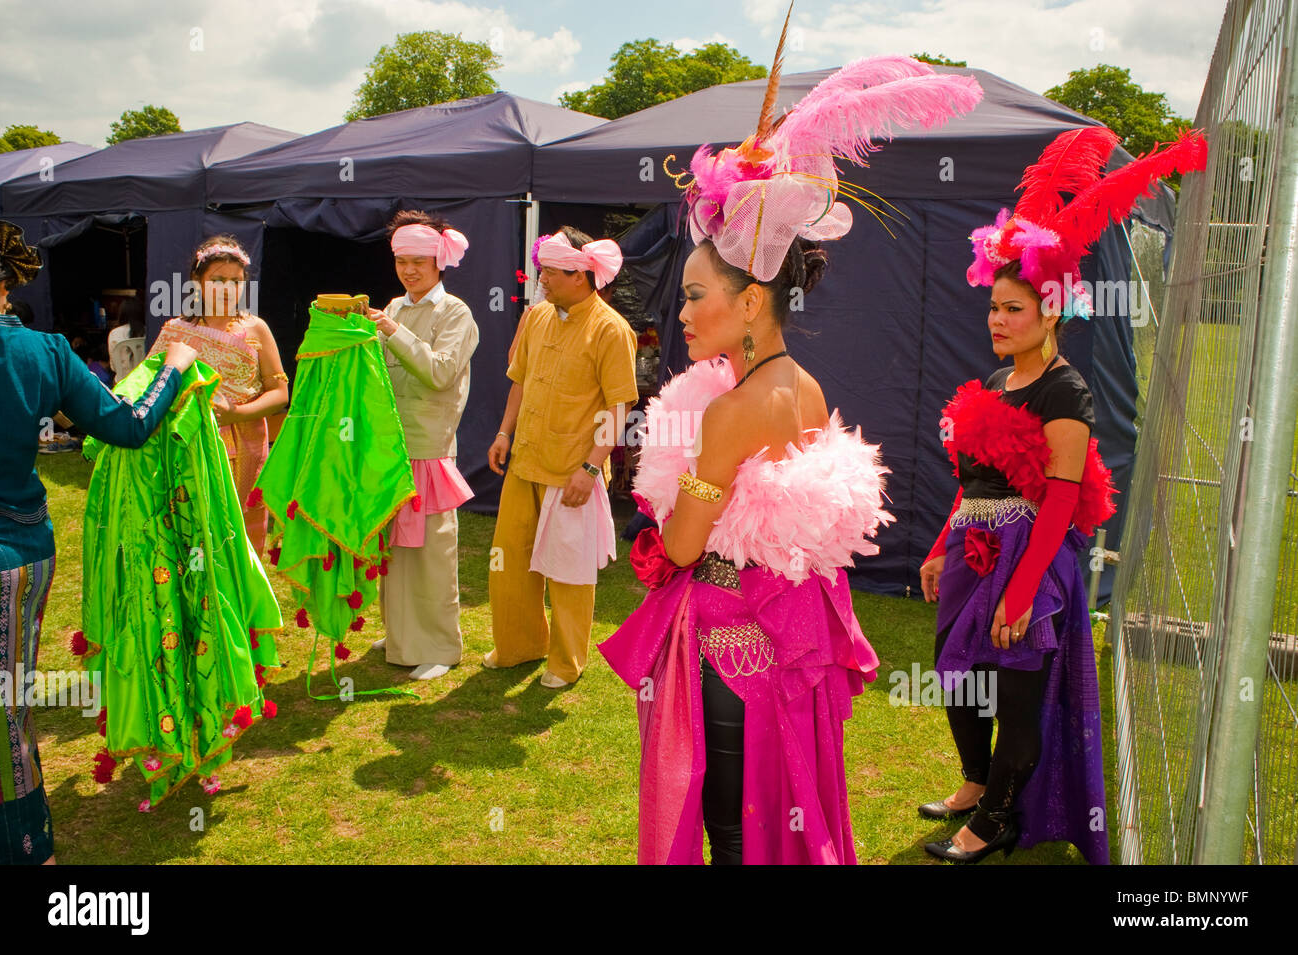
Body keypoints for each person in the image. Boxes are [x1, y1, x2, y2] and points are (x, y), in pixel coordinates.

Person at [599, 51, 982, 864]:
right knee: (777, 814)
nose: (685, 311)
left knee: (735, 829)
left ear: (749, 302)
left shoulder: (733, 409)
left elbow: (679, 548)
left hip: (732, 651)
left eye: (697, 295)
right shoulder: (801, 385)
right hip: (785, 644)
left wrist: (673, 492)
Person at [918, 126, 1206, 865]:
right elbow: (970, 481)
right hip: (972, 551)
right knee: (961, 679)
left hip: (1030, 559)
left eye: (1013, 310)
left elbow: (1057, 500)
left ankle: (998, 821)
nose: (997, 320)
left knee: (1015, 691)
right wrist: (939, 546)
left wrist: (1021, 589)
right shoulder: (989, 384)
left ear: (1051, 314)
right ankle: (974, 783)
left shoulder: (1065, 391)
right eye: (993, 309)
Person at [0, 220, 197, 864]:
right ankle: (29, 850)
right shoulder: (44, 353)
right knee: (5, 708)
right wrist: (173, 367)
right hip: (14, 551)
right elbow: (129, 426)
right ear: (7, 289)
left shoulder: (42, 352)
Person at [486, 227, 637, 688]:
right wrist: (502, 433)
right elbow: (519, 381)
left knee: (569, 571)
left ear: (580, 275)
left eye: (550, 272)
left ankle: (565, 662)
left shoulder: (611, 329)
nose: (542, 279)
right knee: (507, 561)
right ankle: (518, 646)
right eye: (542, 270)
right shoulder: (535, 318)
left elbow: (619, 408)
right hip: (525, 460)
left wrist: (590, 469)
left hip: (573, 470)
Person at [366, 211, 478, 681]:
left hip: (429, 448)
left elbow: (439, 372)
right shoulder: (392, 308)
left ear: (439, 262)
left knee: (432, 550)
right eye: (401, 261)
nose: (410, 270)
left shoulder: (456, 313)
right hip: (392, 447)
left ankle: (439, 646)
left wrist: (391, 332)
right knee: (395, 548)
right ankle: (400, 633)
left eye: (419, 261)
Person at [148, 235, 289, 554]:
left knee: (236, 537)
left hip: (246, 444)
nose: (227, 288)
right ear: (197, 282)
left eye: (235, 281)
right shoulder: (176, 330)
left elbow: (279, 393)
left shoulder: (256, 329)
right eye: (218, 280)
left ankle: (240, 598)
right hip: (190, 441)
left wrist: (237, 414)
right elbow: (153, 387)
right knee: (193, 528)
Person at [107, 295, 146, 382]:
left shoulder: (114, 333)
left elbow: (113, 367)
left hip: (121, 384)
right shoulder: (148, 332)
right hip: (144, 383)